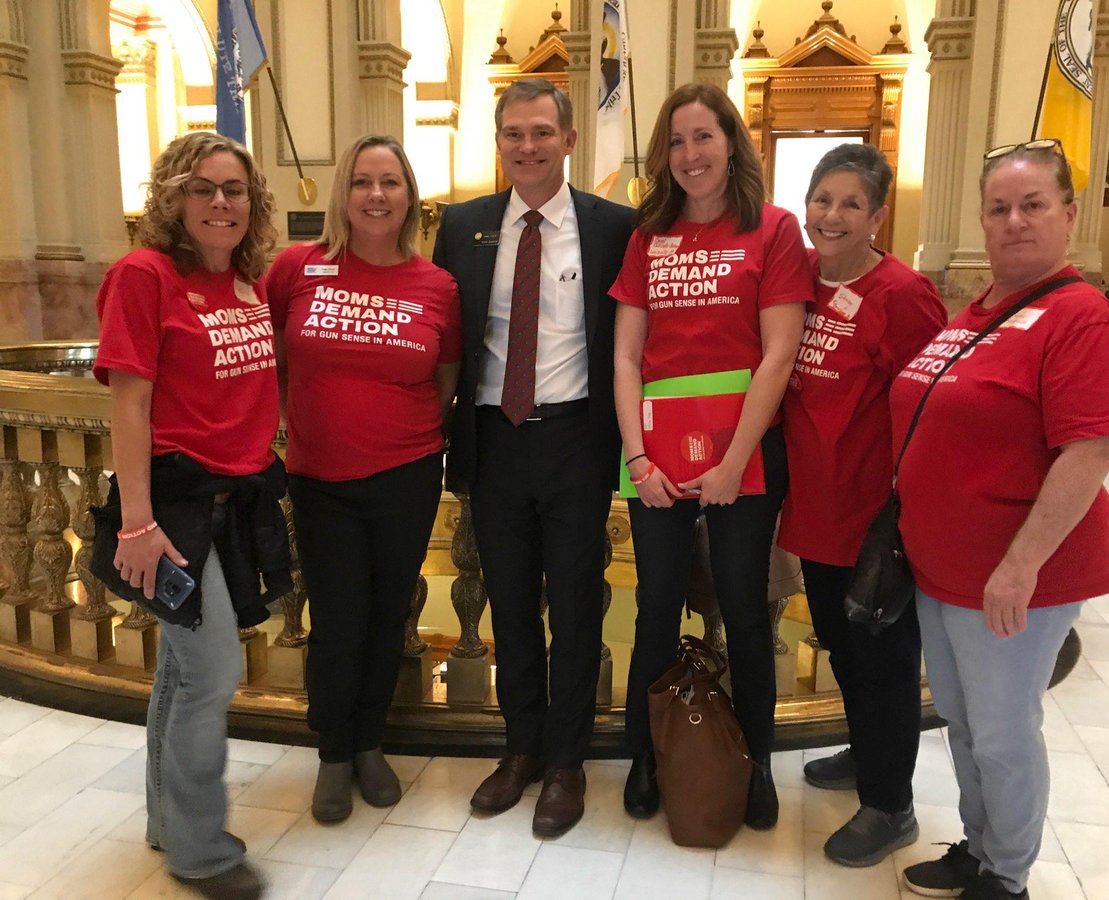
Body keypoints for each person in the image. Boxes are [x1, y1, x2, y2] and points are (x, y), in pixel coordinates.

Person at [893, 140, 1109, 900]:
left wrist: (1020, 565)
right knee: (965, 726)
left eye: (1033, 205)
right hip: (945, 571)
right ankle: (980, 844)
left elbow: (1091, 451)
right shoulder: (978, 312)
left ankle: (1007, 876)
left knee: (1001, 734)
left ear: (1068, 214)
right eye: (999, 208)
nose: (1014, 221)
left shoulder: (1080, 317)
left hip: (1013, 579)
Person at [91, 132, 292, 899]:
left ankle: (167, 823)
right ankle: (201, 849)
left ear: (253, 202)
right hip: (173, 505)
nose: (219, 202)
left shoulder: (248, 281)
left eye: (234, 190)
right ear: (173, 198)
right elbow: (130, 406)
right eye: (203, 188)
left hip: (233, 503)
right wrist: (138, 523)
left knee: (180, 669)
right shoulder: (144, 276)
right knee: (213, 673)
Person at [432, 79, 633, 837]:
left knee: (577, 605)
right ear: (500, 142)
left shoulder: (614, 226)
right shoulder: (463, 226)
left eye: (542, 132)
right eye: (513, 133)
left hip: (577, 440)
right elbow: (446, 335)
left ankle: (567, 762)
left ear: (570, 141)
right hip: (494, 438)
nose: (527, 146)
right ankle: (520, 749)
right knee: (509, 601)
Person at [610, 82, 810, 830]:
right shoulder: (645, 237)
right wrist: (636, 460)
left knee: (746, 613)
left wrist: (734, 464)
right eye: (677, 140)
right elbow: (627, 359)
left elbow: (779, 355)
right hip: (654, 462)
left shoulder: (774, 231)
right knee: (655, 608)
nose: (690, 154)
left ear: (732, 142)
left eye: (704, 137)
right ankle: (648, 754)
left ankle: (754, 761)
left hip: (744, 463)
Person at [266, 135, 461, 822]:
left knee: (387, 616)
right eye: (362, 182)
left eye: (390, 182)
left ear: (410, 196)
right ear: (345, 194)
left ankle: (371, 741)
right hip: (320, 480)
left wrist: (398, 435)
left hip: (406, 477)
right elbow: (272, 362)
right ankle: (334, 752)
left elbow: (445, 380)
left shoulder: (436, 286)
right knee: (337, 620)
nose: (376, 195)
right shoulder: (295, 269)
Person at [777, 143, 946, 865]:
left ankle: (891, 803)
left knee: (882, 661)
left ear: (878, 216)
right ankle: (864, 749)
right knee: (841, 649)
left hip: (872, 519)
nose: (833, 215)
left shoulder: (902, 294)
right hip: (813, 511)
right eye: (822, 199)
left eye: (851, 204)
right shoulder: (800, 281)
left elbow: (932, 408)